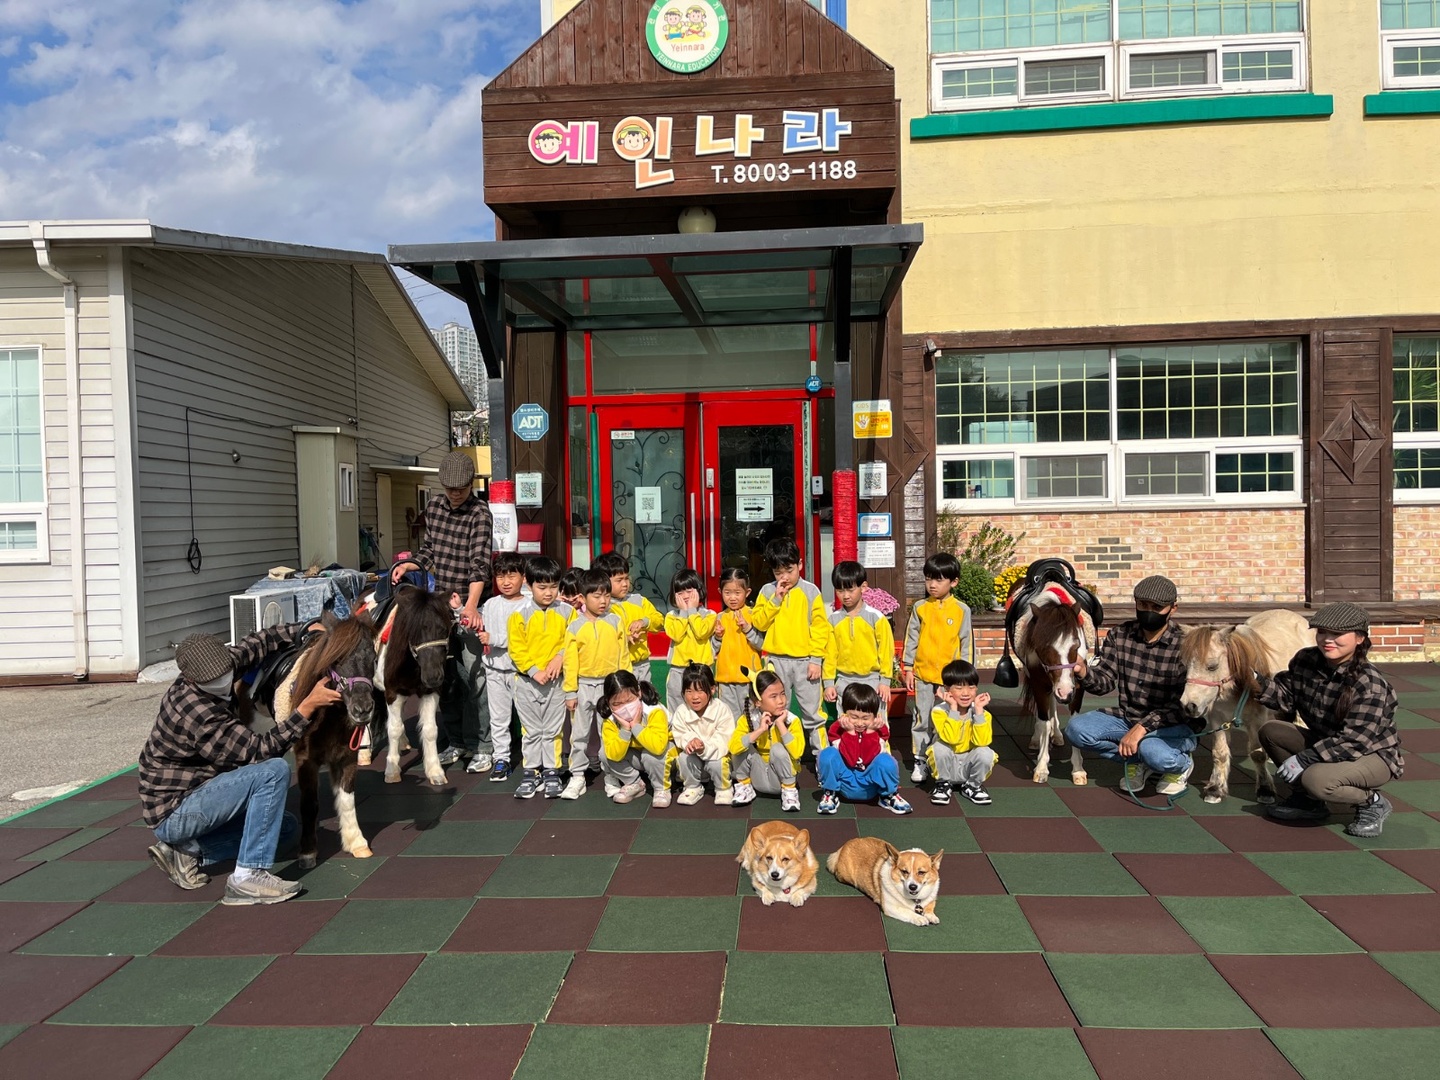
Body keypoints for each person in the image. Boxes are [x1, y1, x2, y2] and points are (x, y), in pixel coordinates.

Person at [140, 627, 341, 905]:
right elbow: (259, 752)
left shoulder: (221, 663)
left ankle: (188, 851)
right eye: (212, 679)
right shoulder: (196, 710)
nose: (222, 680)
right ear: (189, 679)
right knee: (272, 771)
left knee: (286, 829)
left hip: (201, 793)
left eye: (225, 671)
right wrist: (305, 708)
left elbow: (257, 643)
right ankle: (247, 878)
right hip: (176, 809)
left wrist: (304, 628)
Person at [1254, 602, 1403, 837]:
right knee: (1272, 731)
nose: (1327, 639)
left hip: (1372, 755)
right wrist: (1255, 681)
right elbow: (1286, 699)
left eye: (1337, 634)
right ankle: (1308, 802)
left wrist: (1304, 759)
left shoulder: (1369, 684)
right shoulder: (1306, 659)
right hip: (1327, 741)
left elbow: (1353, 741)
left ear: (1359, 638)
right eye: (1322, 632)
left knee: (1317, 780)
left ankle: (1371, 801)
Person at [389, 451, 494, 772]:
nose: (455, 493)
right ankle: (456, 742)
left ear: (471, 483)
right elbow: (431, 549)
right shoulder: (433, 507)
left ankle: (483, 746)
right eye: (450, 488)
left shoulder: (480, 513)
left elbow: (480, 563)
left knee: (474, 676)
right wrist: (411, 563)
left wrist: (472, 606)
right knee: (443, 677)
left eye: (461, 487)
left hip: (469, 604)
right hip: (439, 608)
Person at [1068, 575, 1196, 796]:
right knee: (1076, 730)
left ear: (1173, 608)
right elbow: (1105, 683)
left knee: (1156, 753)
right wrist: (1083, 671)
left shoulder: (1187, 643)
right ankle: (1138, 760)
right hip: (1128, 717)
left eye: (1157, 607)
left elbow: (1185, 705)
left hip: (1172, 723)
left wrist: (1142, 729)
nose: (1149, 611)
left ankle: (1180, 764)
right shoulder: (1120, 635)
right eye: (1143, 605)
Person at [749, 537, 831, 754]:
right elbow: (758, 622)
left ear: (800, 564)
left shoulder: (811, 591)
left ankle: (822, 758)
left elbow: (820, 629)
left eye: (789, 570)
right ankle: (779, 756)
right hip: (776, 660)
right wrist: (775, 600)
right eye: (778, 573)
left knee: (813, 713)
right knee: (776, 709)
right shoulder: (767, 591)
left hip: (805, 662)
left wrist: (815, 660)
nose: (784, 577)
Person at [901, 552, 972, 783]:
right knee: (922, 717)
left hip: (949, 680)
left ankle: (945, 758)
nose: (932, 584)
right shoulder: (921, 607)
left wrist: (965, 680)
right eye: (928, 578)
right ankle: (920, 758)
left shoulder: (962, 610)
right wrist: (909, 667)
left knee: (948, 717)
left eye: (939, 579)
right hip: (923, 674)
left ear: (954, 582)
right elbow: (911, 638)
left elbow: (966, 643)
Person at [507, 556, 574, 799]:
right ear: (528, 584)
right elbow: (516, 648)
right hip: (526, 683)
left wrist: (560, 658)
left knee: (553, 729)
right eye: (542, 587)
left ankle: (552, 771)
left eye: (554, 587)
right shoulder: (520, 613)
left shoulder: (567, 612)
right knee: (532, 730)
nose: (548, 593)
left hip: (556, 683)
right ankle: (531, 771)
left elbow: (574, 641)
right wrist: (534, 670)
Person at [562, 567, 631, 799]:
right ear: (582, 598)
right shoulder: (574, 626)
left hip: (609, 688)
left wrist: (626, 688)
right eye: (596, 596)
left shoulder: (615, 621)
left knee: (608, 734)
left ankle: (611, 776)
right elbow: (570, 662)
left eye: (607, 595)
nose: (603, 601)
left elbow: (624, 657)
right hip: (583, 686)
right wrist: (570, 692)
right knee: (579, 734)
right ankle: (577, 776)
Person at [815, 682, 913, 815]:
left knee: (887, 761)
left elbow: (868, 758)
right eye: (854, 717)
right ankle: (830, 792)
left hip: (870, 784)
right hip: (845, 781)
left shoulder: (879, 729)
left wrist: (871, 732)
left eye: (866, 718)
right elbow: (851, 760)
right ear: (844, 714)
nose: (860, 723)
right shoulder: (838, 729)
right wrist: (850, 733)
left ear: (875, 716)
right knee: (827, 755)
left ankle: (888, 795)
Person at [477, 550, 528, 782]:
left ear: (523, 577)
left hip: (522, 671)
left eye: (511, 576)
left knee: (528, 719)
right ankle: (501, 758)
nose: (506, 582)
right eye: (500, 577)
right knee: (498, 718)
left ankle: (533, 761)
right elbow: (479, 627)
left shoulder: (529, 605)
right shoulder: (490, 603)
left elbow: (524, 639)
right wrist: (460, 611)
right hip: (494, 670)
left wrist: (493, 638)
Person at [729, 666, 805, 811]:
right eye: (773, 696)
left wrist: (781, 725)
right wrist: (759, 731)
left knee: (777, 748)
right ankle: (744, 787)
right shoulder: (748, 719)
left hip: (780, 779)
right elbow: (733, 747)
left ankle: (789, 792)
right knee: (743, 744)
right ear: (757, 702)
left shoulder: (792, 720)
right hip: (757, 779)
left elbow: (797, 753)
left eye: (782, 694)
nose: (781, 701)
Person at [824, 560, 895, 710]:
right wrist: (829, 683)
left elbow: (886, 651)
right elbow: (830, 654)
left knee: (876, 726)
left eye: (850, 590)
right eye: (840, 590)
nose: (845, 595)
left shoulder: (876, 617)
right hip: (844, 682)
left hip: (873, 682)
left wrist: (885, 681)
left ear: (863, 587)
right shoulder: (833, 620)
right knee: (848, 726)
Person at [597, 671, 675, 806]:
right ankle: (634, 783)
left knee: (649, 755)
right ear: (608, 702)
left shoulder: (654, 711)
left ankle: (661, 788)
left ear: (638, 693)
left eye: (629, 701)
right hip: (638, 756)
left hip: (666, 756)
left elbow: (658, 747)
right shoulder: (610, 720)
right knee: (604, 753)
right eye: (617, 704)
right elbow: (613, 755)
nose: (624, 707)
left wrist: (636, 726)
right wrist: (625, 730)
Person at [927, 660, 996, 806]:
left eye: (971, 687)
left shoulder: (983, 714)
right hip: (948, 764)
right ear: (947, 689)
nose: (966, 693)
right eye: (959, 688)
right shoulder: (939, 711)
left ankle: (972, 785)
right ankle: (943, 784)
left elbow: (982, 742)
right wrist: (953, 709)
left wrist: (978, 712)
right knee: (939, 748)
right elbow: (951, 739)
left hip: (967, 765)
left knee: (986, 752)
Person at [669, 663, 736, 805]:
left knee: (719, 761)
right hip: (694, 760)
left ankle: (723, 788)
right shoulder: (681, 711)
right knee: (683, 757)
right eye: (689, 691)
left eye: (700, 691)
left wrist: (704, 747)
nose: (694, 697)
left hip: (716, 756)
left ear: (712, 689)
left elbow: (725, 739)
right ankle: (692, 786)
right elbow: (679, 733)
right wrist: (690, 741)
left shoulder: (722, 709)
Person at [596, 550, 666, 685]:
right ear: (603, 581)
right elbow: (602, 636)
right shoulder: (603, 606)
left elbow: (659, 619)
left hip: (642, 664)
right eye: (619, 580)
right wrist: (625, 638)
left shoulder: (638, 600)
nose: (625, 584)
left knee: (645, 699)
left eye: (626, 578)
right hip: (618, 665)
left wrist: (644, 621)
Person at [713, 567, 763, 721]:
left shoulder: (754, 614)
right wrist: (718, 637)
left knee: (752, 718)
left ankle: (752, 744)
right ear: (720, 591)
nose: (732, 598)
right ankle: (733, 745)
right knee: (729, 718)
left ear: (747, 593)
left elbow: (761, 644)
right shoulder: (719, 617)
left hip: (749, 679)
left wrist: (748, 629)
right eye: (727, 593)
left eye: (737, 593)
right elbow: (711, 650)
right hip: (725, 679)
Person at [664, 567, 717, 711]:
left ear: (699, 590)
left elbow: (701, 632)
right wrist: (683, 612)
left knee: (703, 708)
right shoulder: (671, 616)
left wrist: (692, 611)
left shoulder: (709, 614)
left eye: (689, 591)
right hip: (678, 670)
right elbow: (676, 634)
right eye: (680, 593)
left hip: (702, 670)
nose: (685, 596)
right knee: (676, 708)